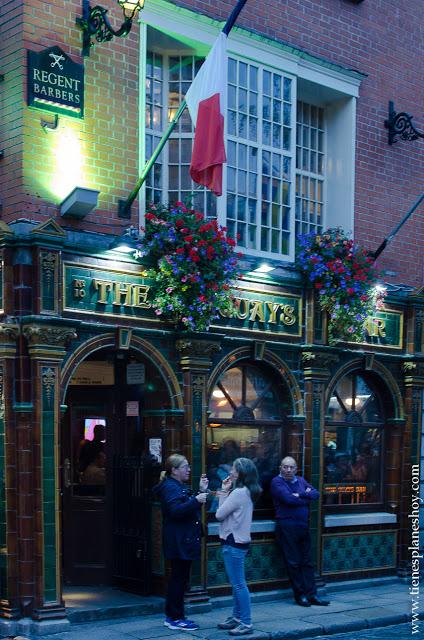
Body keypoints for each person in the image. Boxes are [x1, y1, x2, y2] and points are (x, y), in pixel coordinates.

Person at [153, 454, 209, 632]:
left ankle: (176, 616)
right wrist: (196, 500)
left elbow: (185, 506)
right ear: (174, 470)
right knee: (178, 578)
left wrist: (200, 492)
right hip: (179, 540)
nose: (189, 469)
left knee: (180, 578)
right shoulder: (170, 487)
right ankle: (175, 617)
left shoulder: (177, 485)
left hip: (183, 539)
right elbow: (175, 511)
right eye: (185, 466)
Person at [271, 456, 329, 607]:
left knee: (307, 562)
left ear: (296, 469)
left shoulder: (301, 480)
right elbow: (288, 499)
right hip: (287, 526)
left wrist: (300, 494)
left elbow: (316, 494)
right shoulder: (277, 482)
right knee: (293, 562)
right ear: (280, 468)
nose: (288, 470)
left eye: (291, 467)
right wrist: (305, 495)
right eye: (285, 467)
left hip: (303, 526)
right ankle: (300, 595)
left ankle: (312, 595)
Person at [215, 457, 262, 636]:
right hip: (239, 542)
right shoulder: (248, 491)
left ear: (241, 473)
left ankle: (246, 622)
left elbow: (219, 514)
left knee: (239, 584)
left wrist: (222, 491)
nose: (231, 472)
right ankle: (236, 617)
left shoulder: (238, 493)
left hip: (232, 542)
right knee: (237, 584)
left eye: (233, 469)